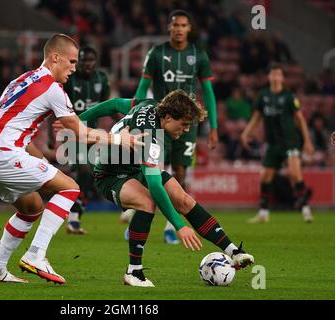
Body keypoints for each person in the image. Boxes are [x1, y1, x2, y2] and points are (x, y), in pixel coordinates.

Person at [0, 34, 144, 284]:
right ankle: (35, 255)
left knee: (31, 208)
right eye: (72, 61)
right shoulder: (53, 89)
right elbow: (79, 133)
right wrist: (121, 140)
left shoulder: (20, 81)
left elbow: (18, 132)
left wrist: (43, 161)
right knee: (70, 188)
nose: (74, 68)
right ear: (55, 57)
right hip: (4, 154)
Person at [76, 89, 254, 287]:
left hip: (135, 169)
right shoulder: (151, 136)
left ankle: (233, 252)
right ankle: (133, 272)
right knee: (147, 202)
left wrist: (77, 120)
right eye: (184, 124)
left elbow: (116, 104)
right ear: (168, 117)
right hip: (110, 176)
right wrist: (180, 226)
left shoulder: (149, 104)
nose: (186, 130)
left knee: (184, 199)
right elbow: (155, 187)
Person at [132, 9, 218, 244]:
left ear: (189, 29)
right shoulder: (157, 53)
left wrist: (213, 127)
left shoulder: (198, 55)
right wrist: (135, 111)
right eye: (175, 25)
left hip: (186, 124)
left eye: (183, 25)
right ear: (169, 27)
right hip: (161, 121)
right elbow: (143, 86)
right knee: (153, 172)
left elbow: (208, 91)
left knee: (180, 172)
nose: (179, 29)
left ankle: (171, 225)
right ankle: (139, 213)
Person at [241, 63, 315, 223]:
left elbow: (300, 119)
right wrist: (246, 133)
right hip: (273, 143)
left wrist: (307, 141)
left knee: (295, 174)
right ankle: (263, 212)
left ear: (282, 77)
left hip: (290, 141)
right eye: (273, 74)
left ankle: (306, 208)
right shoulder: (263, 95)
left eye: (278, 74)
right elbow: (257, 116)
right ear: (269, 77)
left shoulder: (289, 96)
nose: (275, 77)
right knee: (265, 177)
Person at [61, 45, 110, 235]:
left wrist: (124, 122)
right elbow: (55, 108)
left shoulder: (101, 79)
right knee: (84, 170)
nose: (87, 64)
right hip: (71, 132)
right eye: (84, 60)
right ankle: (71, 214)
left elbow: (107, 106)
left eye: (91, 60)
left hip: (91, 133)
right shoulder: (70, 79)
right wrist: (52, 136)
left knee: (89, 177)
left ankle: (74, 216)